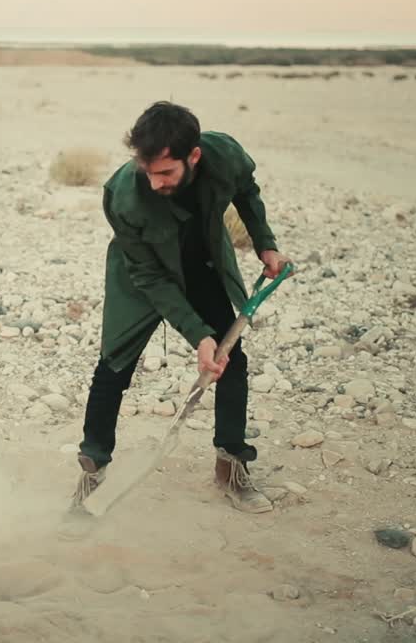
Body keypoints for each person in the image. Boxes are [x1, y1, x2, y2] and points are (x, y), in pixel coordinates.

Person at [70, 101, 292, 515]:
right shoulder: (122, 196)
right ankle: (92, 474)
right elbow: (150, 278)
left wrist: (265, 242)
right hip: (143, 274)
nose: (154, 183)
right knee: (113, 366)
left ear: (194, 156)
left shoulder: (225, 154)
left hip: (202, 261)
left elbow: (246, 190)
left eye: (166, 172)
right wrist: (197, 335)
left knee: (231, 360)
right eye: (147, 171)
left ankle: (232, 468)